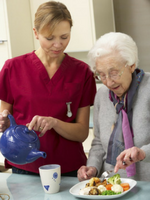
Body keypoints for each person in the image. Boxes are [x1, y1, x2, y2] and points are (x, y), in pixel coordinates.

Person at [0, 1, 96, 176]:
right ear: (36, 33)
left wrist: (55, 123)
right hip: (25, 166)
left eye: (64, 37)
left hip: (70, 168)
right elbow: (6, 120)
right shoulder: (12, 68)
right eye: (50, 38)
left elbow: (82, 132)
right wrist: (3, 123)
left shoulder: (82, 72)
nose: (58, 44)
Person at [77, 32, 150, 181]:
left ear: (132, 65)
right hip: (112, 186)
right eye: (102, 75)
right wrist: (92, 167)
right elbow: (98, 142)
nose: (108, 82)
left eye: (114, 73)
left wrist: (143, 152)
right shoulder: (102, 96)